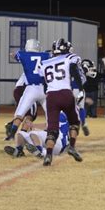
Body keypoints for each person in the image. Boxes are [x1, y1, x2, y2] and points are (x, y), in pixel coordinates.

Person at [38, 38, 83, 166]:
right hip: (65, 93)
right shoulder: (69, 58)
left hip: (51, 96)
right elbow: (74, 70)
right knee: (74, 122)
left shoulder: (45, 62)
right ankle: (72, 147)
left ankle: (48, 155)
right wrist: (81, 88)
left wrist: (48, 91)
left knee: (52, 129)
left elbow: (43, 82)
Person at [4, 39, 49, 141]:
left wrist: (13, 54)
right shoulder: (46, 55)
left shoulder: (22, 54)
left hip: (31, 89)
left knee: (20, 113)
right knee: (51, 114)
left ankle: (11, 134)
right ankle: (53, 133)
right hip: (44, 89)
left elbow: (14, 55)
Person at [5, 112, 70, 159]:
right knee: (20, 133)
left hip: (58, 142)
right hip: (51, 140)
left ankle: (42, 152)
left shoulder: (63, 113)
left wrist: (33, 125)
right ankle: (19, 151)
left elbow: (47, 126)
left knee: (33, 133)